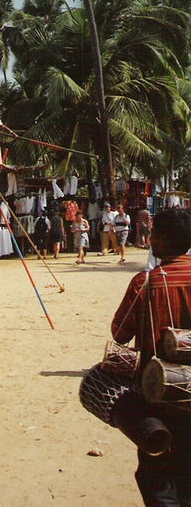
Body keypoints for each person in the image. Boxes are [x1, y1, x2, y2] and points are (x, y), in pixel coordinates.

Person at [111, 209, 191, 506]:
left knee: (157, 475)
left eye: (154, 232)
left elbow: (119, 333)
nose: (150, 237)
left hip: (157, 395)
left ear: (166, 239)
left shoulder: (146, 282)